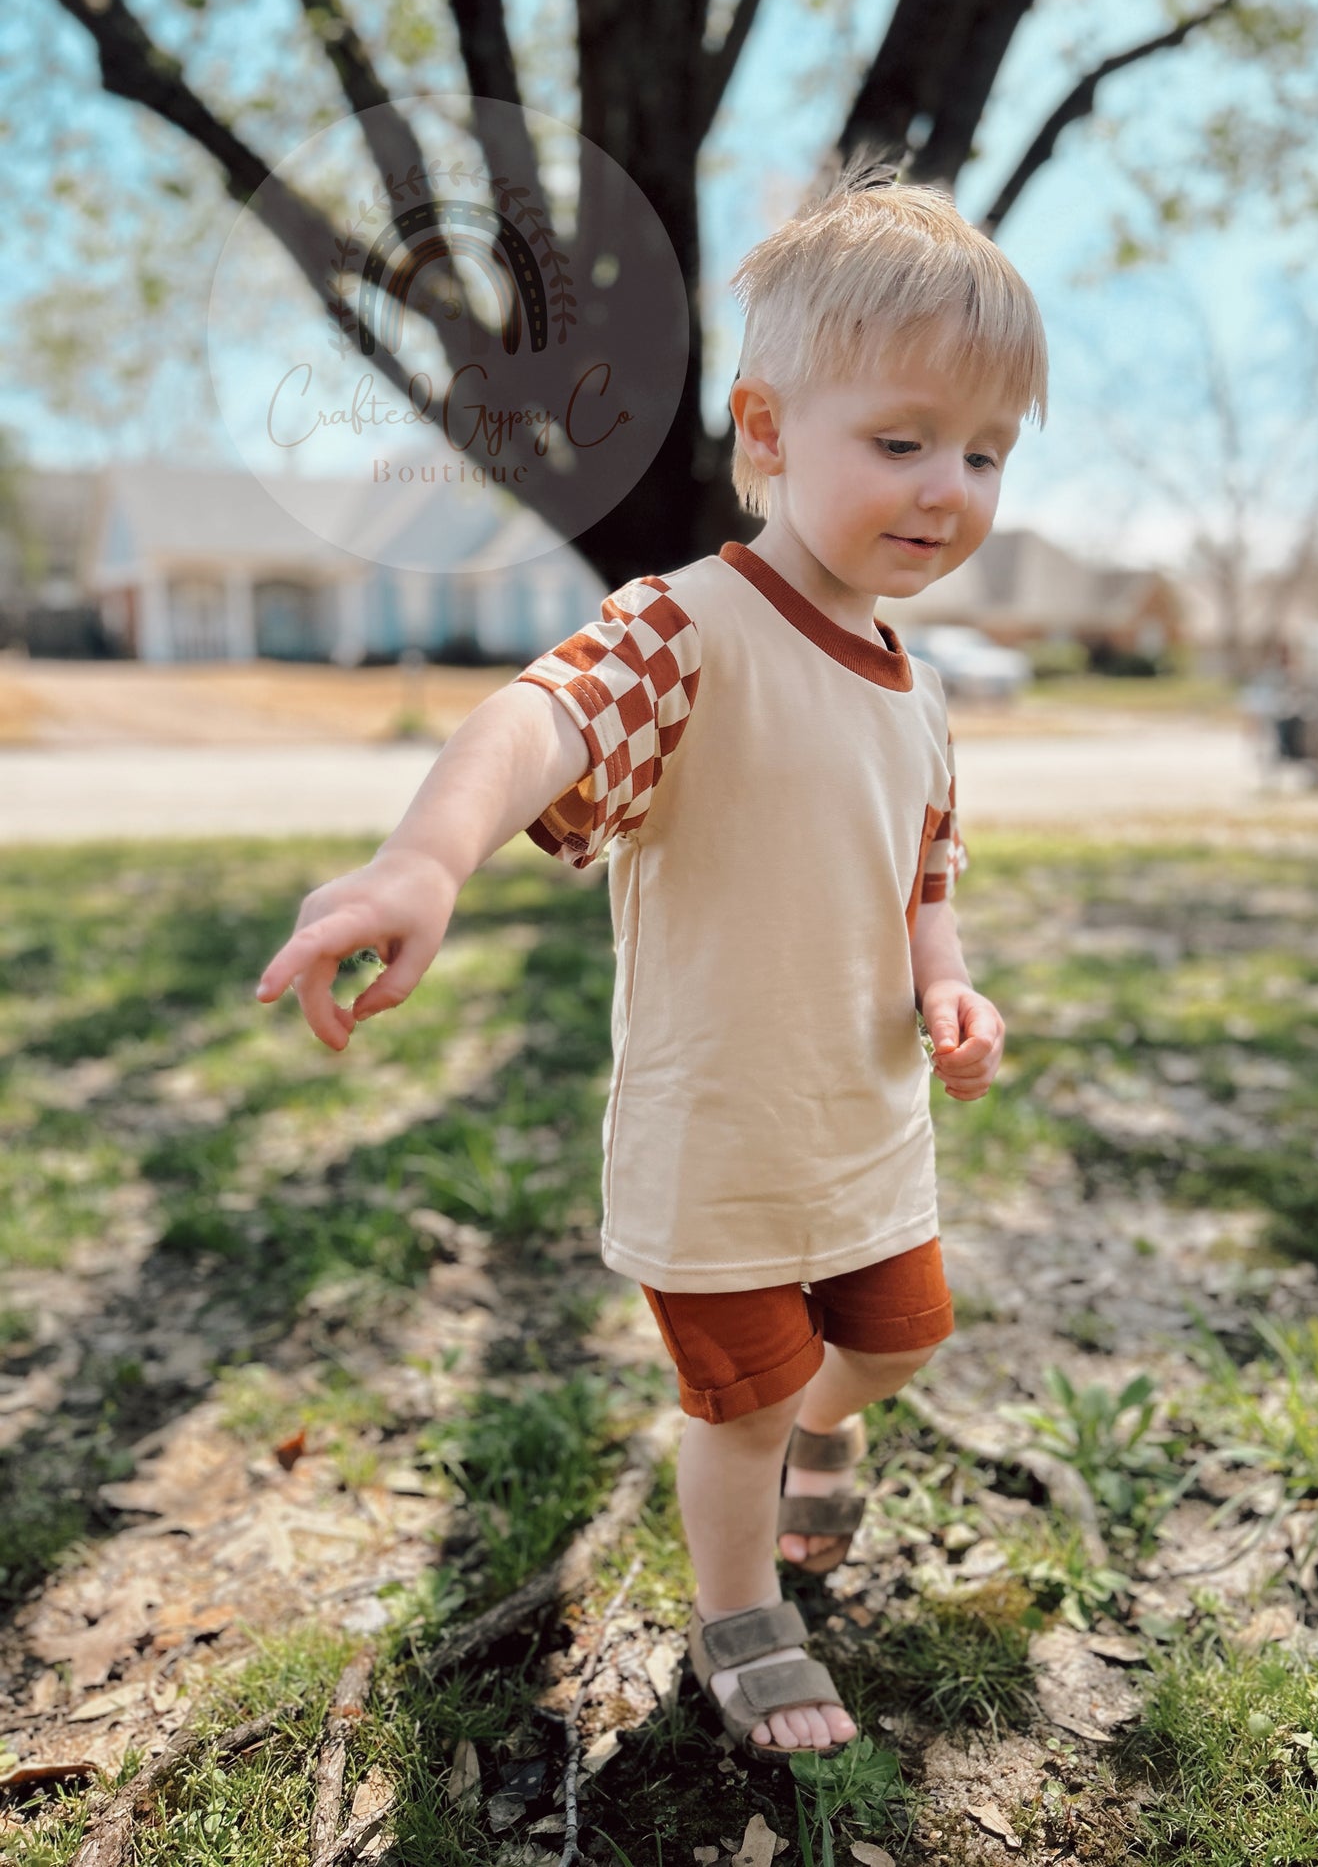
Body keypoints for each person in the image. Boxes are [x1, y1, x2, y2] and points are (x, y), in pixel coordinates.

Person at [255, 148, 1047, 1765]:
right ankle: (739, 1613)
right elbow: (536, 718)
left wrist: (948, 983)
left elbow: (924, 872)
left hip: (866, 1123)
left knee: (891, 1343)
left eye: (981, 451)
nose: (943, 486)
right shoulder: (694, 626)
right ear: (764, 434)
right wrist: (426, 855)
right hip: (724, 1141)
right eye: (899, 440)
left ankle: (825, 1439)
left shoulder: (923, 683)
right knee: (741, 1402)